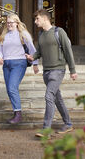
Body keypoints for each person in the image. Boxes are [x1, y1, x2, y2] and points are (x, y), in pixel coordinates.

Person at [25, 9, 78, 137]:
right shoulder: (41, 35)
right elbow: (39, 52)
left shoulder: (59, 32)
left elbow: (68, 51)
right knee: (57, 98)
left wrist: (72, 70)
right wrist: (33, 57)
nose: (35, 21)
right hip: (47, 71)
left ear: (45, 18)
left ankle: (46, 130)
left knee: (49, 96)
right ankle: (68, 123)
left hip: (58, 70)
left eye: (37, 19)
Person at [0, 14, 38, 124]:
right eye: (8, 22)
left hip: (19, 63)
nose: (9, 24)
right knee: (9, 89)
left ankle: (18, 114)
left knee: (12, 87)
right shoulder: (4, 35)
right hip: (7, 65)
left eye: (11, 22)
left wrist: (35, 63)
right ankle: (16, 112)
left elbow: (32, 49)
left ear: (17, 23)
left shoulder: (23, 34)